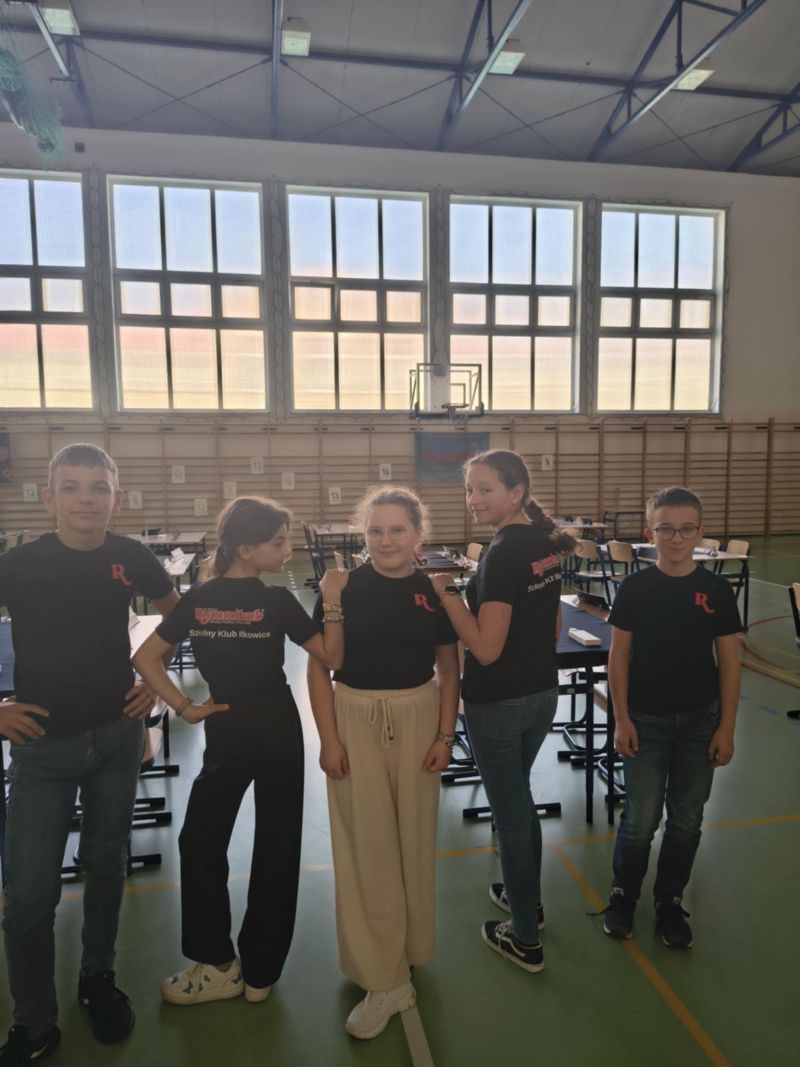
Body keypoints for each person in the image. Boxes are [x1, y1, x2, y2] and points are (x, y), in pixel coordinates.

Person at [0, 443, 179, 1066]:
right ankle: (34, 1021)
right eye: (72, 487)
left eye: (98, 488)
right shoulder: (18, 566)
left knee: (106, 867)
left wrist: (153, 683)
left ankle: (97, 978)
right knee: (28, 893)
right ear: (48, 497)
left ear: (116, 498)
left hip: (116, 737)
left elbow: (177, 617)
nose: (85, 499)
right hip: (40, 748)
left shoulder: (132, 557)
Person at [133, 496, 347, 1006]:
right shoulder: (275, 600)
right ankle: (257, 972)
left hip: (231, 729)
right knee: (276, 846)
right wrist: (334, 600)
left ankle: (223, 965)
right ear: (246, 549)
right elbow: (332, 655)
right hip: (274, 729)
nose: (287, 550)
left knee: (202, 842)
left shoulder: (201, 599)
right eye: (278, 542)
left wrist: (185, 707)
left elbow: (146, 658)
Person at [307, 486, 459, 1040]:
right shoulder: (340, 588)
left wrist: (445, 733)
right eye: (375, 530)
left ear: (419, 534)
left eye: (397, 530)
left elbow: (449, 669)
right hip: (355, 716)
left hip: (418, 715)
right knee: (366, 846)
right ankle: (383, 975)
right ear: (361, 532)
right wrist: (329, 739)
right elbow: (318, 669)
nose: (386, 540)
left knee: (414, 840)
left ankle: (408, 949)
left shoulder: (434, 592)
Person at [429, 450, 575, 974]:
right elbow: (553, 625)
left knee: (510, 815)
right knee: (520, 801)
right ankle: (525, 898)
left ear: (516, 493)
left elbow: (486, 649)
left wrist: (447, 592)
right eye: (469, 489)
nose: (473, 499)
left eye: (484, 489)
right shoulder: (542, 544)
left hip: (498, 702)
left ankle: (525, 939)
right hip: (542, 694)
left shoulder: (503, 553)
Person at [601, 486, 742, 948]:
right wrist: (622, 718)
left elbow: (730, 663)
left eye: (685, 529)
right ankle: (623, 895)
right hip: (645, 722)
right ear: (650, 534)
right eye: (666, 529)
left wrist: (726, 727)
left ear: (700, 533)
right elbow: (618, 656)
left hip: (700, 724)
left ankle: (670, 901)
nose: (676, 538)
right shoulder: (635, 589)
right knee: (640, 819)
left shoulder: (716, 591)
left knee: (686, 820)